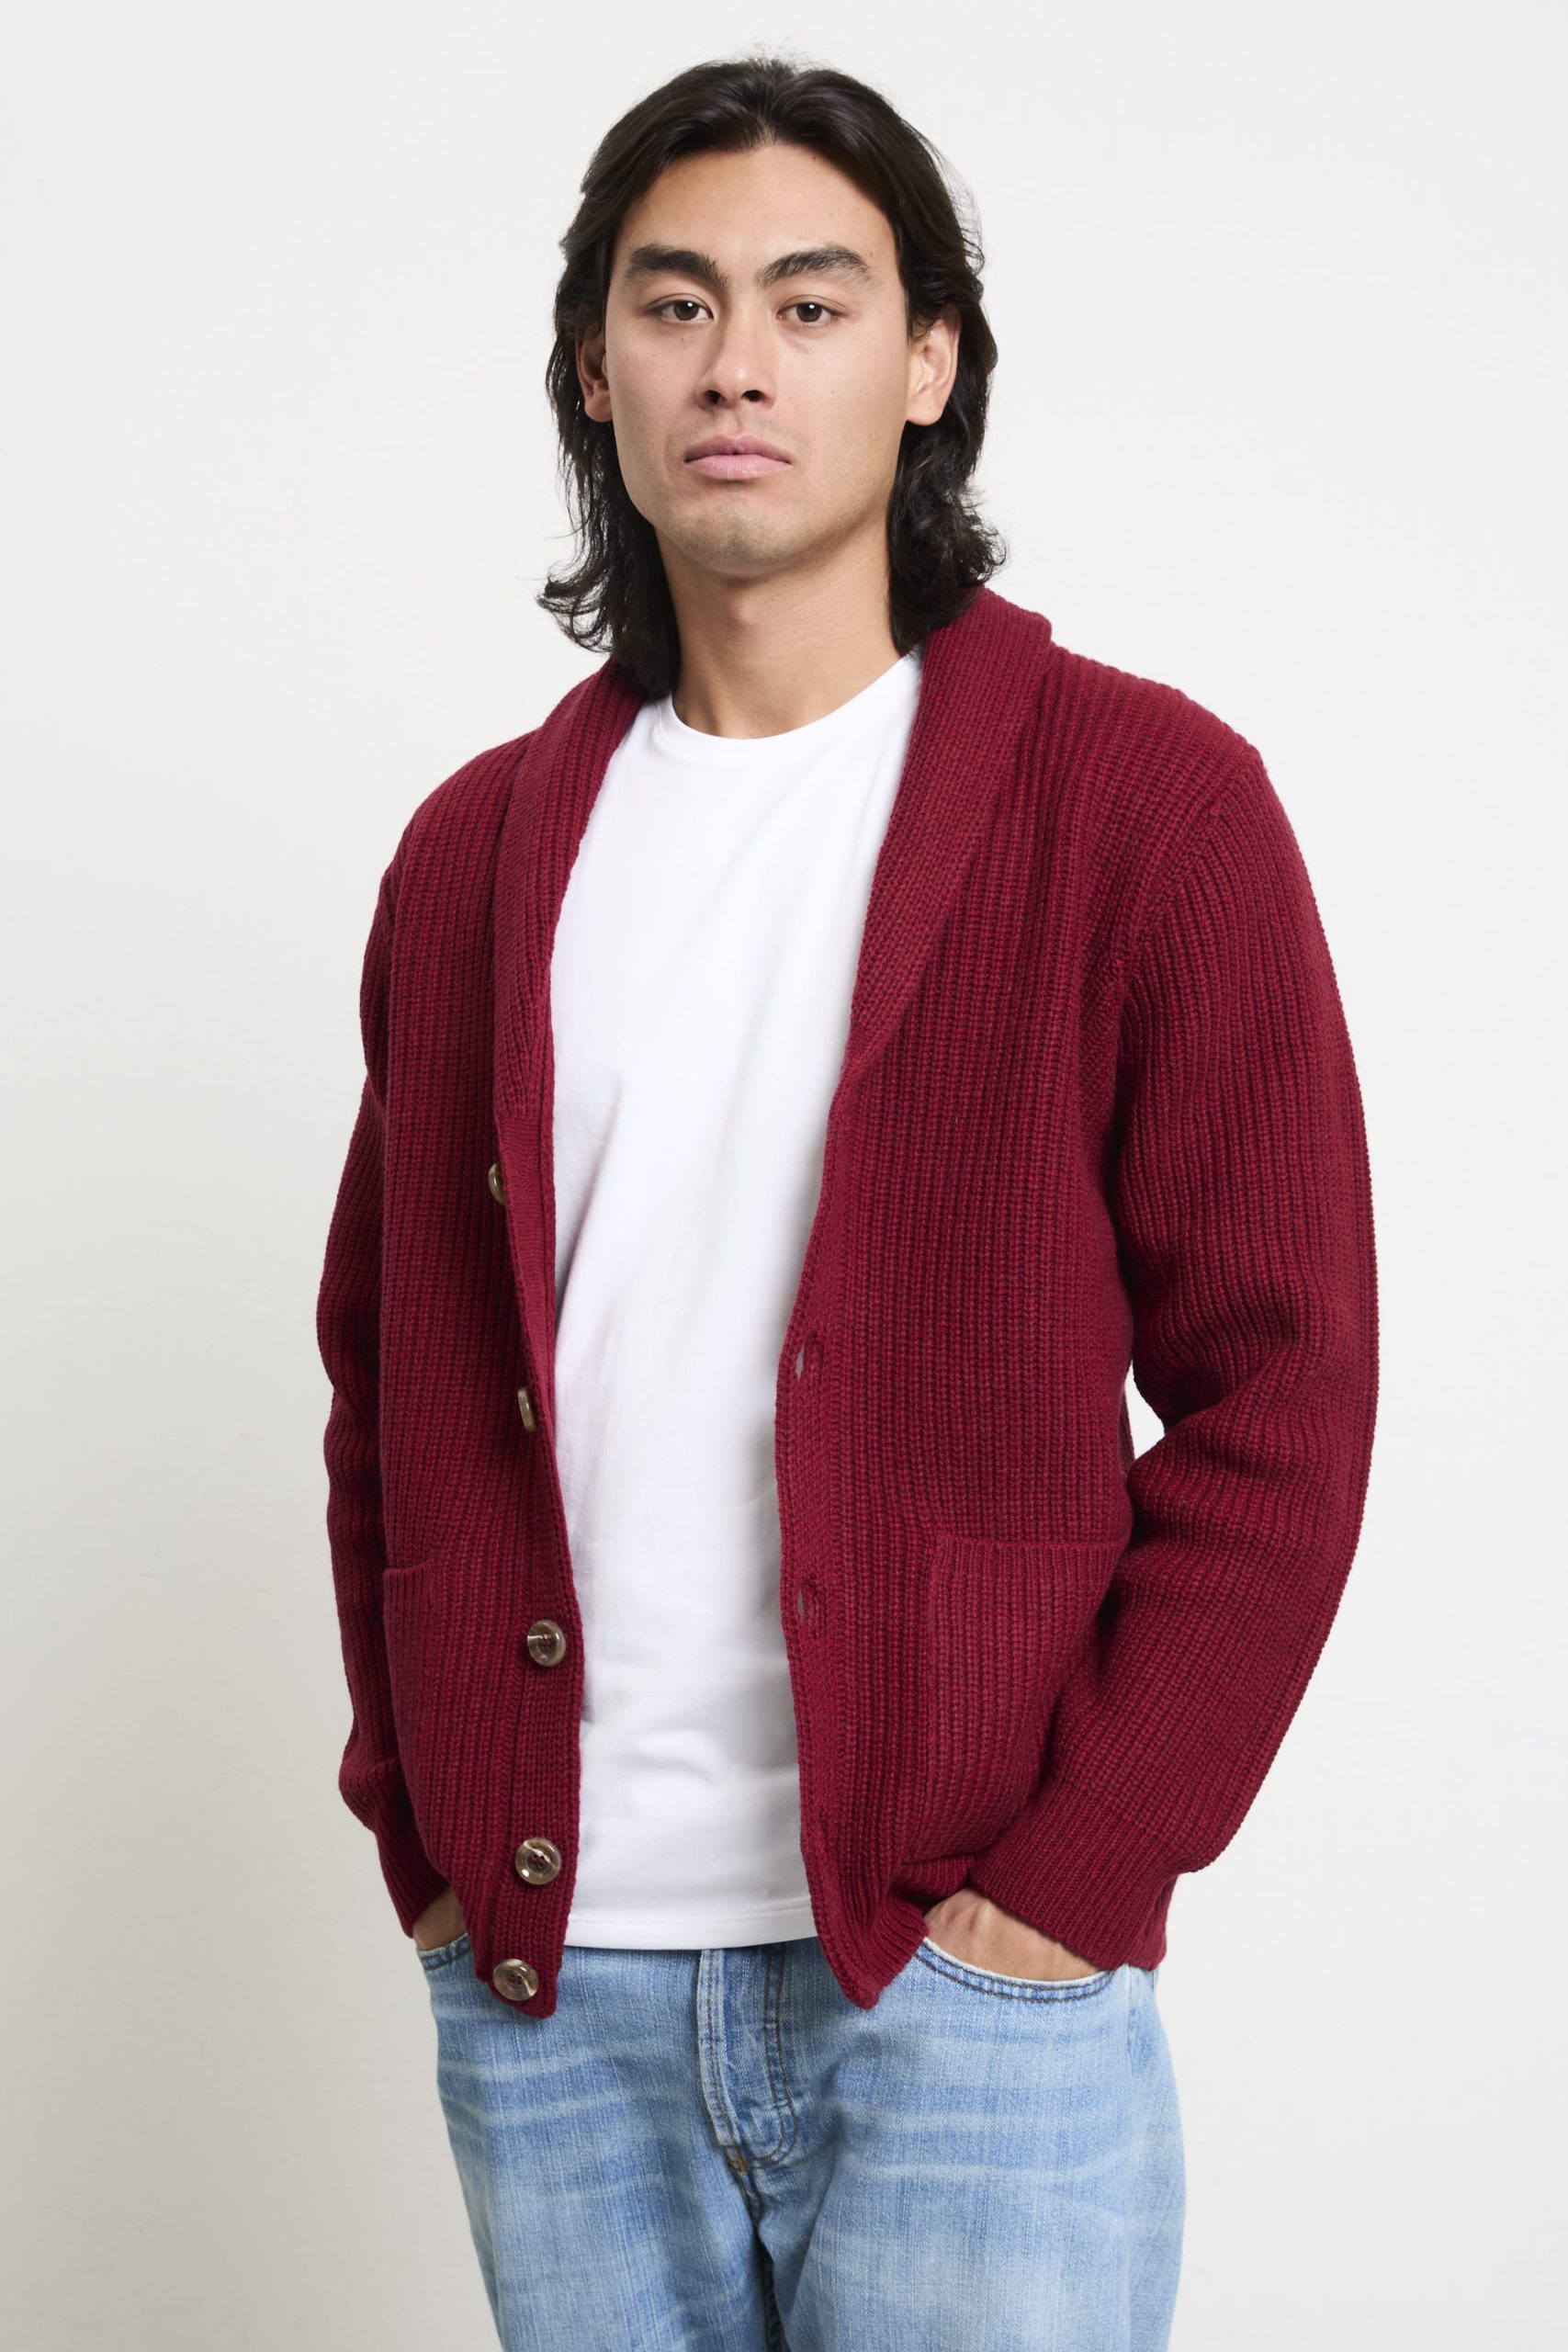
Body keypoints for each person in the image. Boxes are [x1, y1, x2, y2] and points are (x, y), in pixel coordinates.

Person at [315, 51, 1378, 2352]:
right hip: (556, 1976)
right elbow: (387, 1379)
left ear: (926, 363)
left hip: (960, 1983)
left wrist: (1074, 1879)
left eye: (809, 304)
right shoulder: (472, 858)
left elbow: (1282, 1394)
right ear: (591, 371)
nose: (736, 364)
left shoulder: (1142, 803)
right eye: (673, 302)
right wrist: (425, 1831)